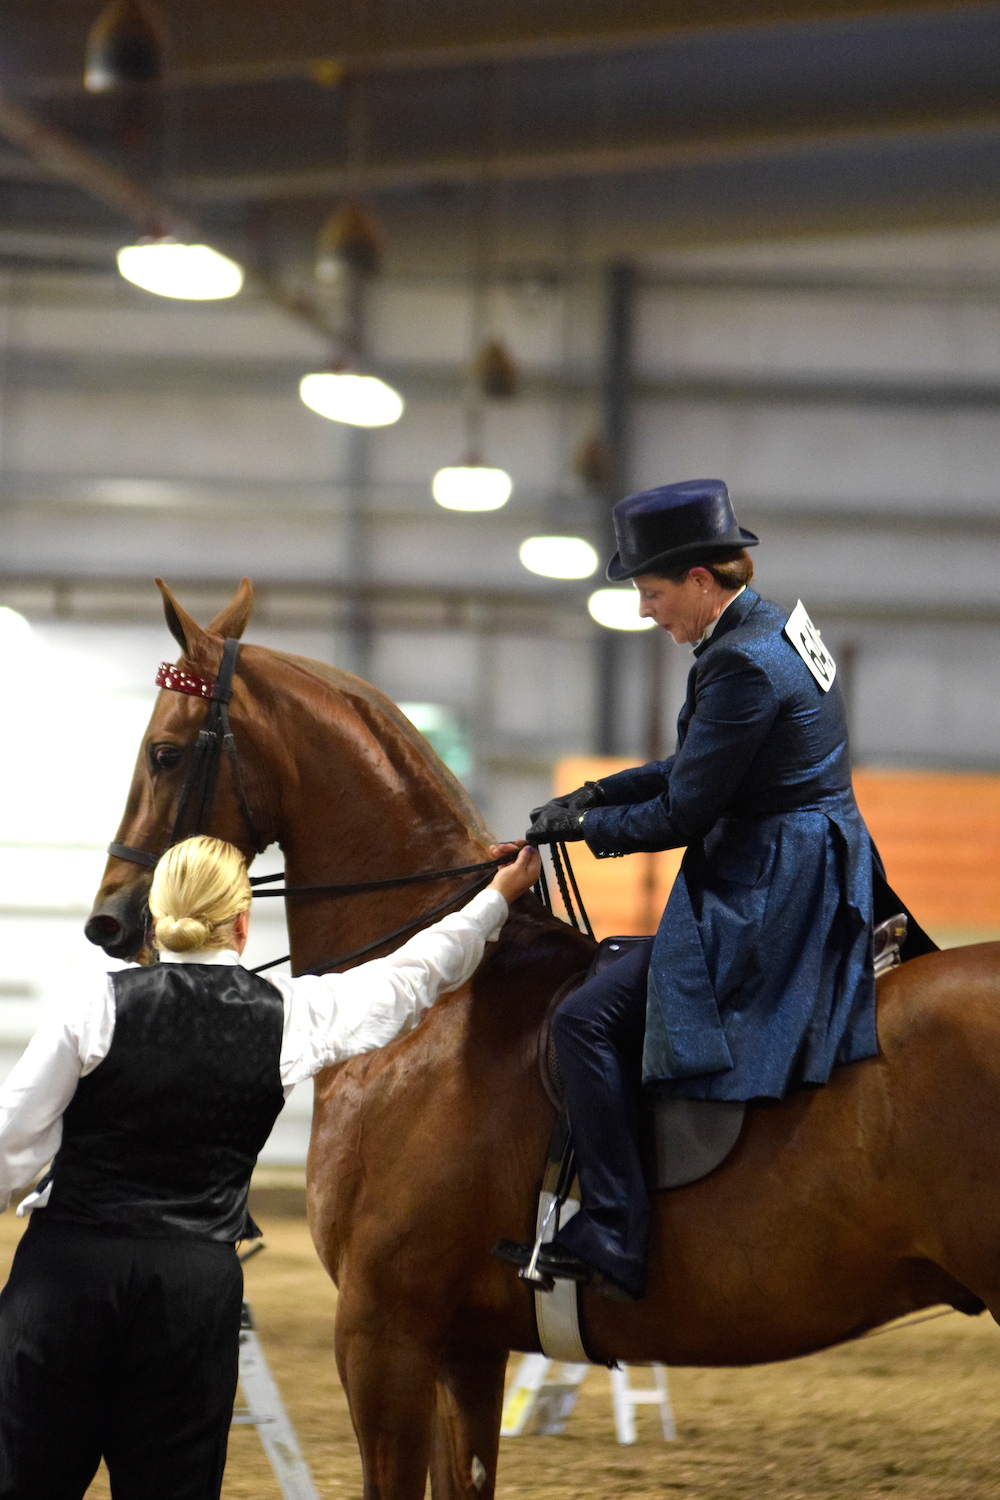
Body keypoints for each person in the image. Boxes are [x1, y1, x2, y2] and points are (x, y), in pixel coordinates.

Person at [496, 477, 934, 1303]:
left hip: (774, 881)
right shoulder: (770, 630)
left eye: (653, 594)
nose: (645, 612)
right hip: (812, 851)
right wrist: (596, 795)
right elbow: (697, 765)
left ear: (701, 579)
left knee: (587, 1017)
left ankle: (617, 1231)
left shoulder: (739, 663)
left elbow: (688, 809)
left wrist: (585, 834)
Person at [0, 833, 540, 1500]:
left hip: (66, 1278)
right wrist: (497, 898)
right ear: (244, 920)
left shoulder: (93, 1003)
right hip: (190, 1292)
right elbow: (414, 978)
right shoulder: (290, 1014)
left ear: (155, 917)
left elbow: (10, 1144)